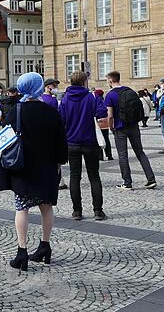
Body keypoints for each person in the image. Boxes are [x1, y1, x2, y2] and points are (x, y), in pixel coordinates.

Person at [0, 73, 68, 272]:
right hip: (46, 166)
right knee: (46, 206)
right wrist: (60, 162)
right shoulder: (50, 111)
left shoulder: (15, 111)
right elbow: (61, 141)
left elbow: (5, 142)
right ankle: (45, 246)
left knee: (22, 208)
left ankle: (22, 252)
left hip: (23, 167)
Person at [61, 73, 107, 221]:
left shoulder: (65, 99)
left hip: (72, 143)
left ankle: (77, 211)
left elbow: (61, 119)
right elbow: (102, 113)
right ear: (84, 82)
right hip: (90, 142)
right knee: (94, 176)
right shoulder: (91, 97)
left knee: (75, 177)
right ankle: (98, 211)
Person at [104, 71, 157, 191]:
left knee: (123, 155)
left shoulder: (110, 95)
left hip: (120, 128)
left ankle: (127, 182)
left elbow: (110, 115)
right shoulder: (130, 91)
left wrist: (111, 127)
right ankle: (151, 179)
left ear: (111, 81)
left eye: (107, 80)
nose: (107, 82)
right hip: (133, 126)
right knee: (140, 152)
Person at [94, 89, 114, 161]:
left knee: (99, 138)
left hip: (99, 122)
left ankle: (100, 156)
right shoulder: (104, 100)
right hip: (106, 122)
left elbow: (96, 110)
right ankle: (109, 155)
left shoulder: (97, 100)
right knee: (106, 138)